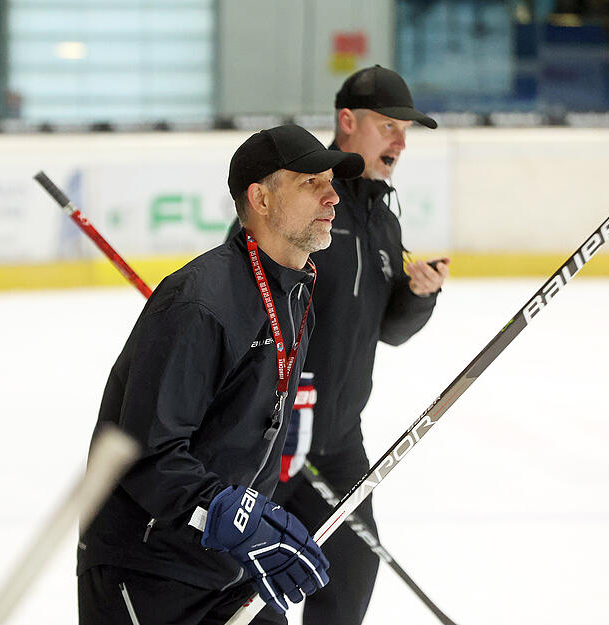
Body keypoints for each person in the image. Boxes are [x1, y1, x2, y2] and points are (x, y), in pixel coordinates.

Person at [77, 124, 364, 625]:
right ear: (261, 199)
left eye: (331, 182)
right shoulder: (200, 305)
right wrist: (236, 519)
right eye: (310, 182)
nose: (333, 196)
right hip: (148, 570)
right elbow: (146, 454)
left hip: (227, 568)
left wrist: (249, 524)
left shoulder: (295, 294)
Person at [228, 64, 449, 625]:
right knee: (253, 600)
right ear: (347, 122)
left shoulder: (382, 220)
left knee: (350, 579)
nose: (399, 140)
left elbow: (389, 330)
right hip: (269, 443)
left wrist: (419, 296)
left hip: (339, 443)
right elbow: (241, 288)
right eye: (388, 125)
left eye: (405, 130)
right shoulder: (304, 195)